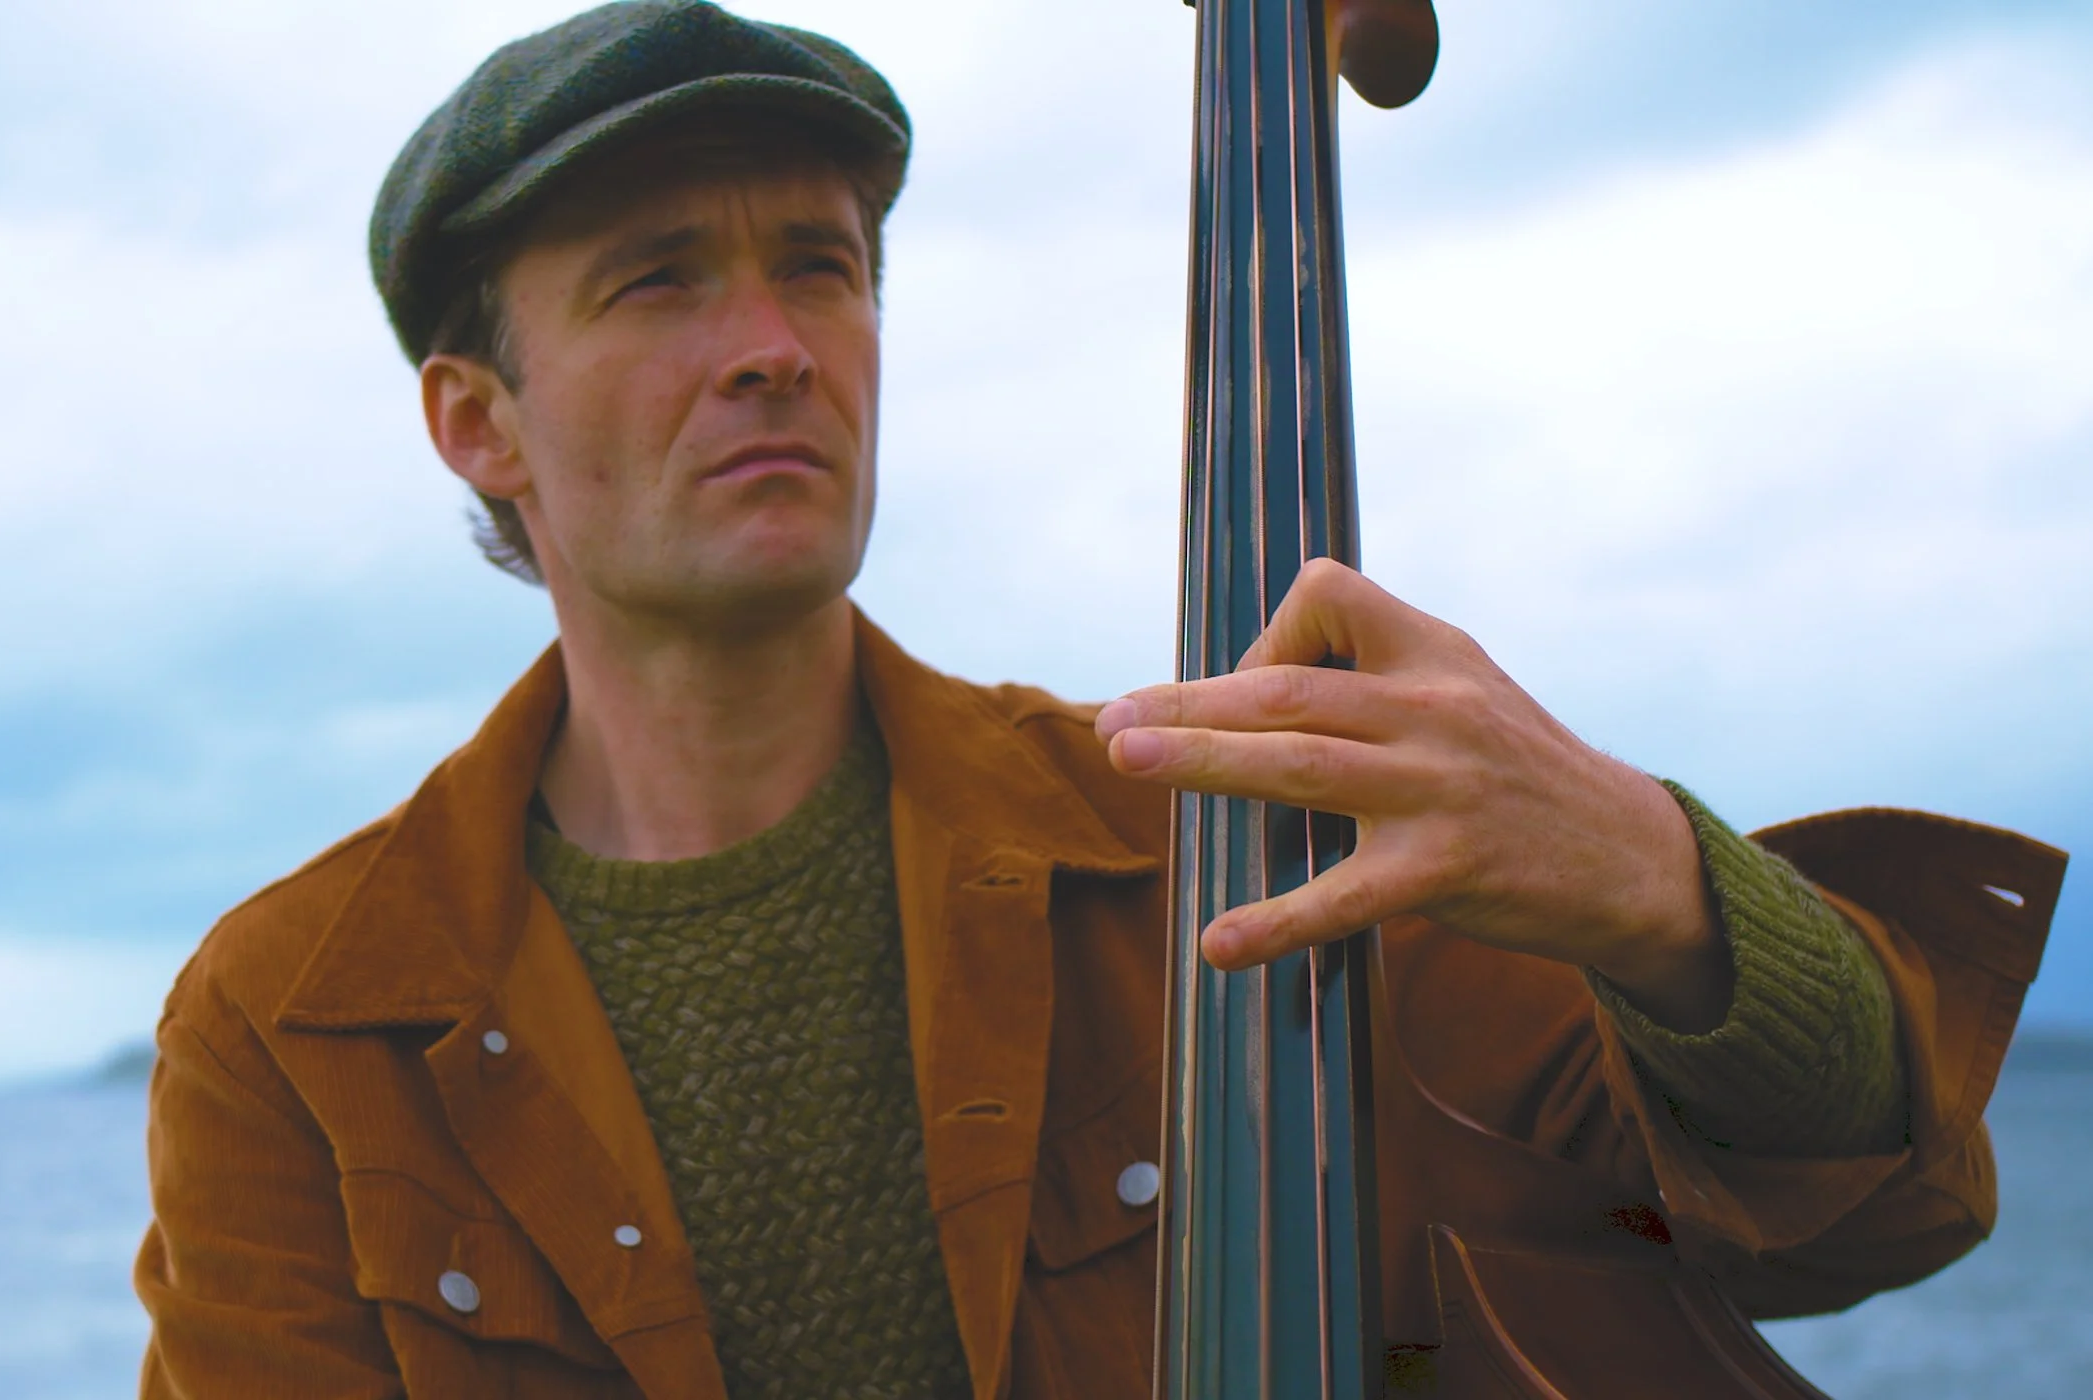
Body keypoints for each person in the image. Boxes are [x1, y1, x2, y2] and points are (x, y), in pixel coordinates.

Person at [132, 4, 2064, 1396]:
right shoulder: (296, 1026)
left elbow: (1870, 1224)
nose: (774, 349)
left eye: (824, 267)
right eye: (657, 284)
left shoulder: (1229, 844)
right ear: (479, 423)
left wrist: (1660, 884)